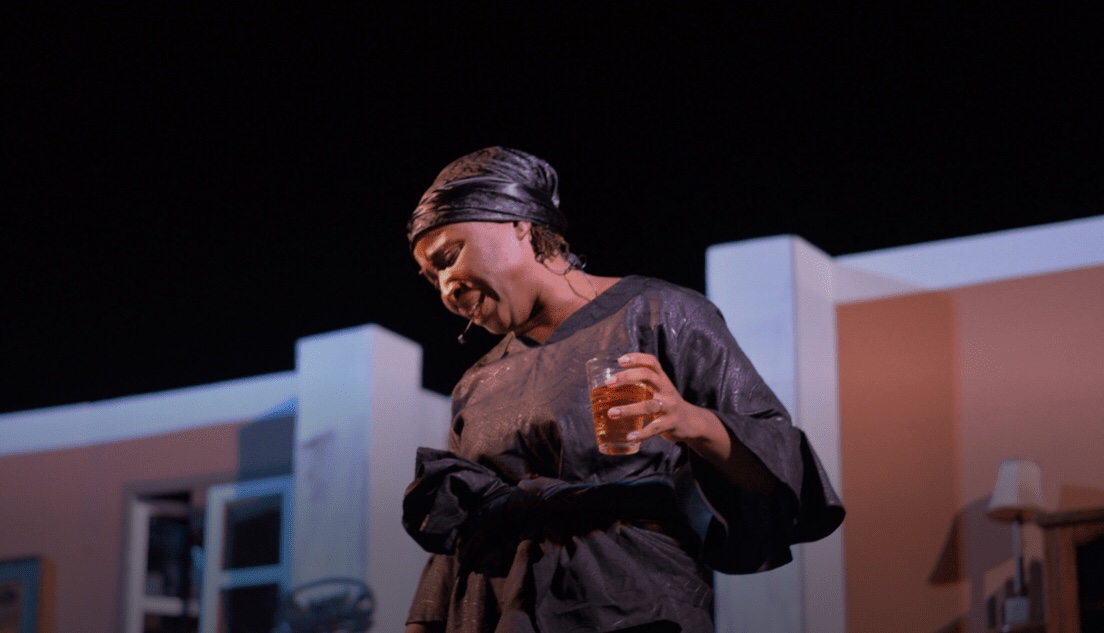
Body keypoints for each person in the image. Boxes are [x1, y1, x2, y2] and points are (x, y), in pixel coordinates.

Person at [401, 146, 844, 633]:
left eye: (449, 257)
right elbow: (457, 530)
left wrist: (689, 420)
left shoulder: (658, 313)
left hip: (630, 605)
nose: (445, 287)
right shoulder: (476, 384)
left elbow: (781, 466)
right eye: (432, 277)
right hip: (499, 612)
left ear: (519, 225)